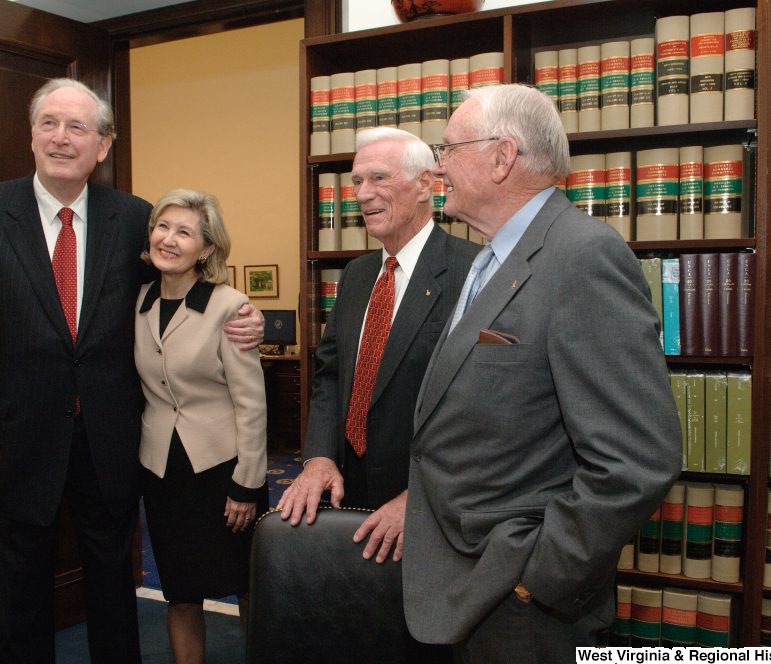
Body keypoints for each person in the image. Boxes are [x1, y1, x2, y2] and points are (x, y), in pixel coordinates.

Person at [0, 78, 264, 664]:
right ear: (32, 134)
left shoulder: (136, 218)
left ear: (103, 144)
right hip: (18, 447)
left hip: (114, 445)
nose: (62, 139)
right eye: (50, 124)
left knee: (115, 596)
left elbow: (179, 292)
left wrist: (245, 316)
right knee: (19, 601)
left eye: (78, 128)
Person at [403, 84, 683, 661]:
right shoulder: (491, 256)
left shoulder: (581, 255)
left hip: (521, 604)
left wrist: (540, 579)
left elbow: (637, 459)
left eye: (449, 148)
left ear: (502, 157)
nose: (437, 165)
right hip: (463, 581)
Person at [278, 127, 477, 564]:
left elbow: (478, 409)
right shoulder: (355, 275)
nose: (362, 194)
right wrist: (317, 459)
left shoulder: (473, 272)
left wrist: (421, 498)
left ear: (426, 184)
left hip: (427, 507)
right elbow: (330, 375)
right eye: (356, 181)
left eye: (379, 178)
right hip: (347, 495)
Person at [136, 189, 267, 664]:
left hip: (222, 469)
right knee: (180, 590)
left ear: (207, 249)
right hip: (162, 471)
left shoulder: (229, 306)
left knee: (246, 584)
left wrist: (247, 485)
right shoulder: (139, 301)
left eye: (184, 232)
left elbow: (251, 403)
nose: (168, 239)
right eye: (162, 226)